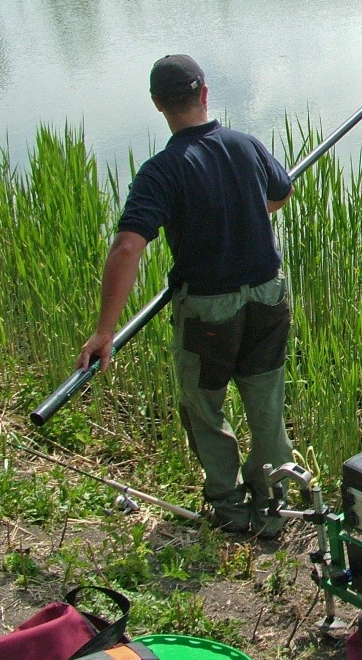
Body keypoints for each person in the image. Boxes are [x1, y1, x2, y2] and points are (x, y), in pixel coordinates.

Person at [76, 54, 295, 539]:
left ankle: (231, 510)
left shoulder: (162, 170)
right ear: (205, 94)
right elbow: (282, 190)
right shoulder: (245, 144)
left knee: (204, 406)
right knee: (266, 403)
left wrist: (105, 331)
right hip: (268, 295)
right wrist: (246, 218)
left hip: (209, 309)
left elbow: (129, 245)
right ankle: (276, 509)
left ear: (158, 104)